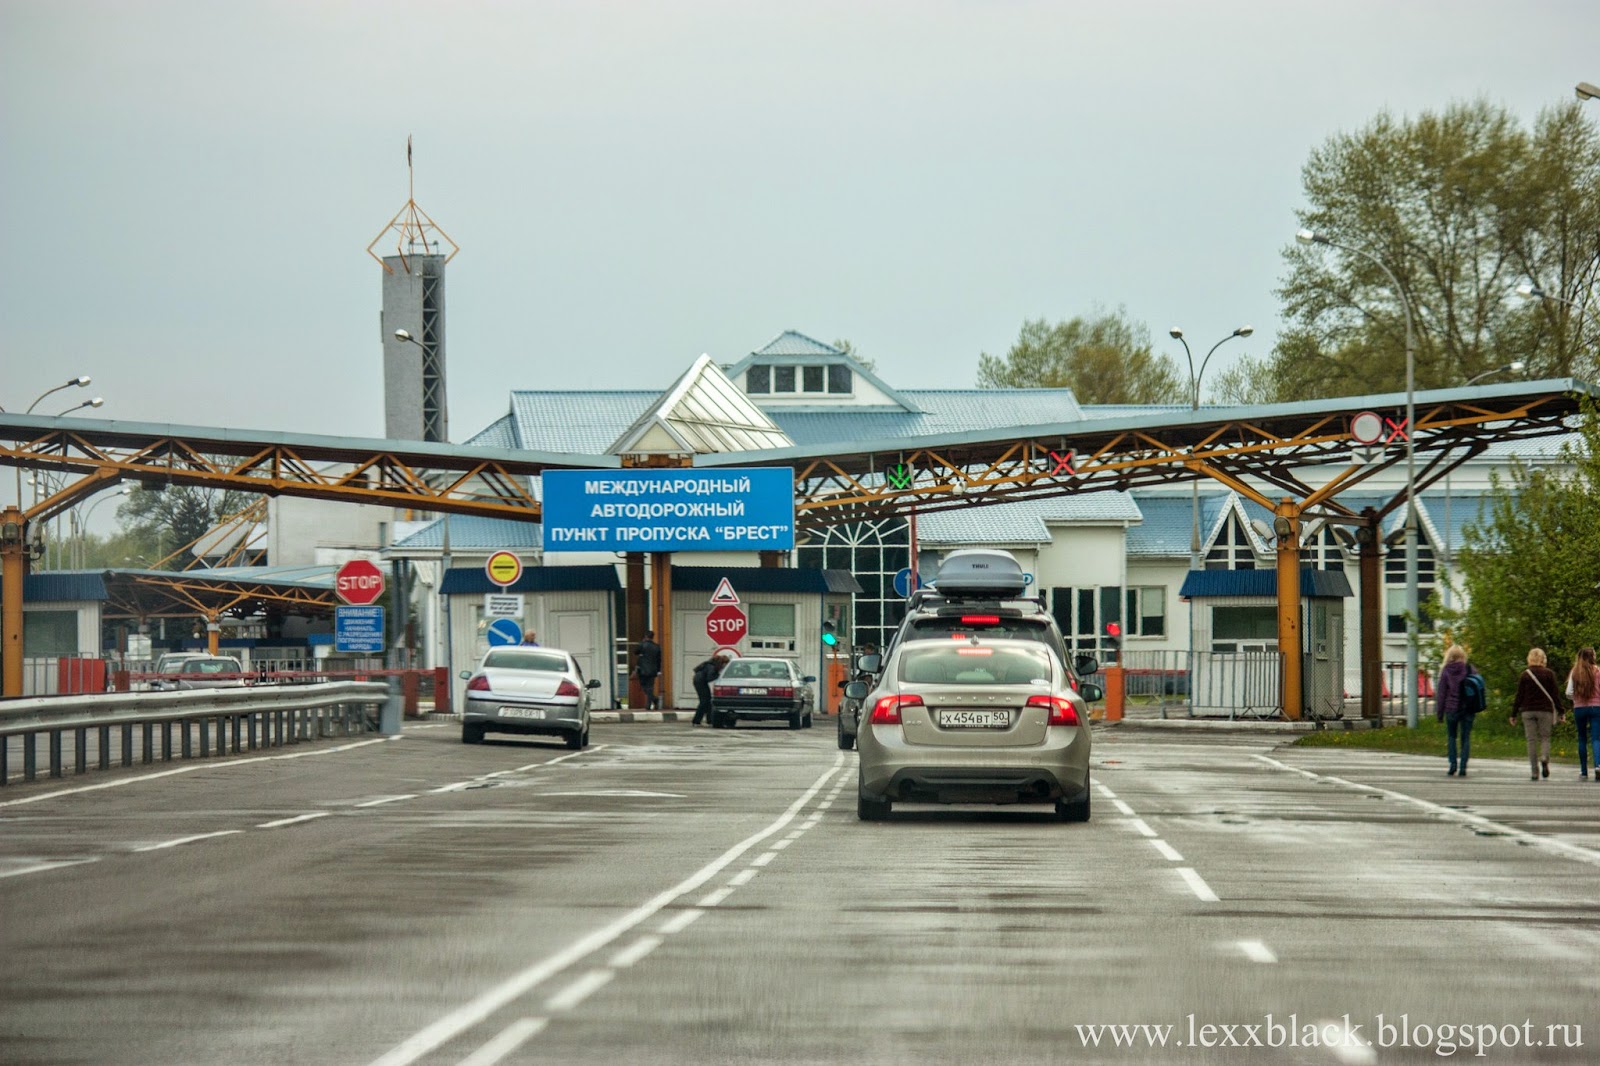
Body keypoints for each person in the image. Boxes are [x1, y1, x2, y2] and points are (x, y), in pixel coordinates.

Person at [1510, 647, 1563, 781]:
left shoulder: (1525, 675)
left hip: (1528, 711)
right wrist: (1561, 711)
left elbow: (1519, 696)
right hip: (1545, 711)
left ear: (1530, 658)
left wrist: (1513, 713)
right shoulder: (1549, 674)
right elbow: (1555, 695)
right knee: (1545, 737)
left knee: (1531, 740)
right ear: (1543, 659)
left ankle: (1534, 772)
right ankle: (1544, 757)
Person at [1434, 644, 1475, 777]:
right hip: (1468, 708)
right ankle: (1463, 766)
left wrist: (1439, 713)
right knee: (1466, 737)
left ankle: (1453, 764)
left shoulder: (1446, 671)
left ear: (1449, 657)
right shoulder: (1470, 669)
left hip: (1451, 708)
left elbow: (1441, 694)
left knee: (1452, 737)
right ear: (1463, 656)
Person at [1566, 646, 1600, 781]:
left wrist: (1577, 698)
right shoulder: (1598, 671)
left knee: (1582, 738)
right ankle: (1598, 765)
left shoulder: (1575, 672)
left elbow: (1568, 693)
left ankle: (1584, 771)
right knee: (1596, 738)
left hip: (1579, 708)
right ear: (1593, 657)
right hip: (1596, 708)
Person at [690, 651, 728, 727]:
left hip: (699, 681)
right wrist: (719, 676)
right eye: (725, 665)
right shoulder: (712, 667)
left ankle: (709, 720)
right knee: (704, 701)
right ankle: (697, 721)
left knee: (707, 701)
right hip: (701, 682)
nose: (724, 666)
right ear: (722, 663)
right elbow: (709, 678)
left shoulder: (709, 664)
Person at [635, 631, 663, 711]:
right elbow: (659, 660)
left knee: (644, 687)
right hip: (653, 670)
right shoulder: (657, 647)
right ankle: (653, 701)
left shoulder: (642, 645)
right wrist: (658, 670)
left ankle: (650, 703)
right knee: (650, 687)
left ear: (645, 636)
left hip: (643, 670)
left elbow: (635, 652)